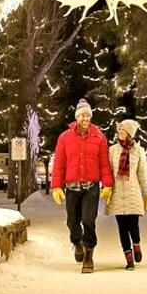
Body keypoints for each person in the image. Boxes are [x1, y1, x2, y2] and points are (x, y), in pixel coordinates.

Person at [51, 98, 113, 273]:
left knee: (88, 220)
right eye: (82, 115)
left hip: (91, 187)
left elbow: (104, 164)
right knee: (72, 222)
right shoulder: (65, 138)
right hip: (72, 187)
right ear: (77, 117)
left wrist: (107, 184)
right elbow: (59, 164)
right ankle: (77, 242)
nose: (85, 118)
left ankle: (88, 255)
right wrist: (56, 186)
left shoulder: (99, 137)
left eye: (88, 115)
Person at [105, 119, 147, 270]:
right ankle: (129, 259)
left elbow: (142, 176)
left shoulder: (138, 151)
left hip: (133, 193)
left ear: (130, 133)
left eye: (123, 130)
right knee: (122, 228)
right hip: (117, 194)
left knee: (133, 226)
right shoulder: (112, 150)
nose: (119, 132)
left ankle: (136, 244)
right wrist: (106, 188)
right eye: (119, 129)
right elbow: (108, 173)